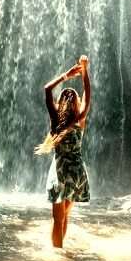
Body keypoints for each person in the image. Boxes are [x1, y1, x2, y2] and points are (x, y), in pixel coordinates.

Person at [34, 55, 91, 248]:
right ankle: (61, 251)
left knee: (57, 219)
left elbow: (47, 89)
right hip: (76, 173)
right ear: (76, 103)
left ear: (60, 102)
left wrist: (66, 76)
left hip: (59, 172)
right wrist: (85, 71)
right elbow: (88, 97)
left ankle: (57, 255)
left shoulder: (56, 121)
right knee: (65, 216)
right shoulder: (79, 120)